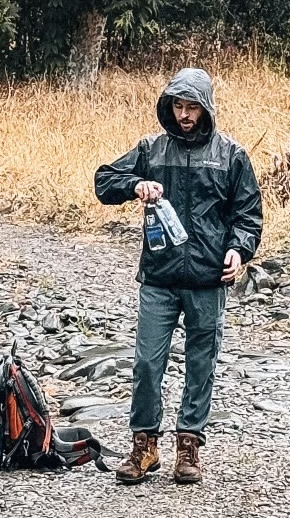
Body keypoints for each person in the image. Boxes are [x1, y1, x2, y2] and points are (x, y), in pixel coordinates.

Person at [94, 67, 262, 485]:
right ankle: (144, 446)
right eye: (178, 106)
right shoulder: (151, 150)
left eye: (192, 107)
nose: (184, 115)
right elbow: (104, 181)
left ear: (207, 109)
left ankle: (189, 447)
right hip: (159, 278)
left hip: (208, 279)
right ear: (168, 106)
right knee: (147, 363)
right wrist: (135, 185)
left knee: (201, 363)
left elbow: (248, 215)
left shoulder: (231, 155)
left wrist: (238, 250)